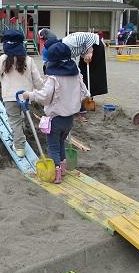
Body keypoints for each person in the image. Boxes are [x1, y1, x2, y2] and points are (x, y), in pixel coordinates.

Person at [20, 42, 89, 184]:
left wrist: (29, 95)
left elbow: (44, 97)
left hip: (56, 119)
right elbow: (85, 92)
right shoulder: (76, 74)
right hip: (69, 119)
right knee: (61, 143)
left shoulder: (54, 78)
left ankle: (56, 174)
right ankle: (63, 169)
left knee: (53, 147)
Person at [0, 30, 43, 158]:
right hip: (26, 96)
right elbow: (37, 80)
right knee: (21, 116)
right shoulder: (29, 60)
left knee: (14, 120)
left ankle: (20, 146)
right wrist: (42, 91)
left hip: (10, 97)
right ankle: (21, 134)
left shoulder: (4, 59)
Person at [62, 31, 108, 119]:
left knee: (90, 73)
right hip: (85, 51)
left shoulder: (69, 41)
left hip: (95, 46)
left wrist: (90, 52)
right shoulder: (62, 50)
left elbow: (89, 38)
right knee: (82, 73)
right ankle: (85, 96)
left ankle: (88, 97)